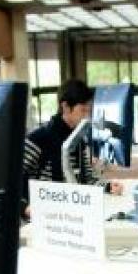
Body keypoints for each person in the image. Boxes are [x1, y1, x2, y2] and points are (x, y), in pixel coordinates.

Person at [22, 79, 123, 216]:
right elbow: (10, 181)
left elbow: (87, 180)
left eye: (89, 111)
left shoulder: (80, 140)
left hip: (72, 216)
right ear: (65, 107)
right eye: (82, 110)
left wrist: (108, 186)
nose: (87, 116)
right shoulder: (38, 139)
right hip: (43, 219)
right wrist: (25, 208)